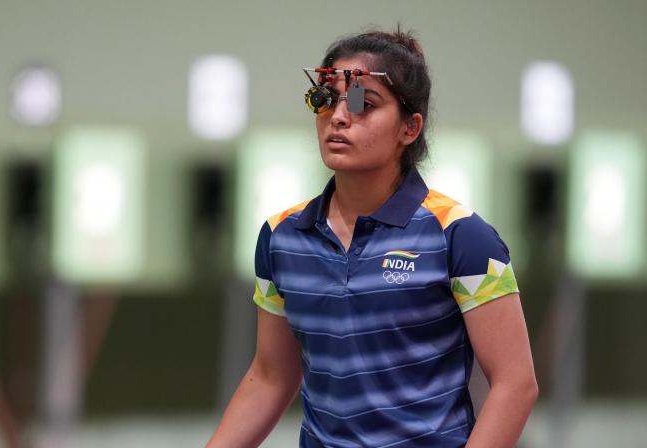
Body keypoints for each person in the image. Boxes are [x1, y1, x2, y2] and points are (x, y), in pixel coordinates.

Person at [207, 29, 537, 448]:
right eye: (326, 98)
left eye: (365, 102)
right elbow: (272, 377)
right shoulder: (280, 237)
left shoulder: (461, 235)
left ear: (410, 127)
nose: (339, 117)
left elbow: (515, 383)